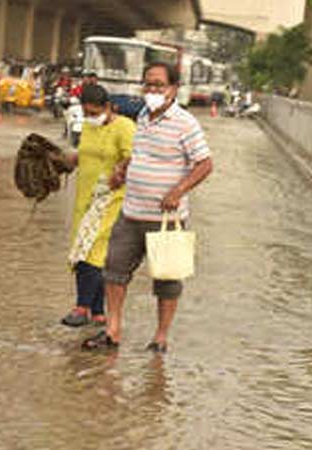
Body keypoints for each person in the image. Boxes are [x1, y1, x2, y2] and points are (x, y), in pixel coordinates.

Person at [82, 62, 214, 353]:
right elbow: (140, 153)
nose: (152, 90)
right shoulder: (142, 115)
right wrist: (122, 170)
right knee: (114, 272)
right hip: (131, 213)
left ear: (174, 89)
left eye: (159, 85)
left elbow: (205, 164)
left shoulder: (185, 123)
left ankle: (160, 338)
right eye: (148, 84)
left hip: (166, 218)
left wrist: (178, 190)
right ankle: (113, 330)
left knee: (167, 281)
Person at [61, 84, 136, 327]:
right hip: (85, 198)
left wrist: (120, 170)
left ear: (108, 107)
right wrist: (70, 159)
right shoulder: (88, 128)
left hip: (111, 200)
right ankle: (98, 310)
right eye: (86, 113)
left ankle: (81, 307)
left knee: (90, 252)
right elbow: (86, 154)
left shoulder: (124, 127)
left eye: (94, 112)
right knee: (89, 251)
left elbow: (134, 156)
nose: (90, 117)